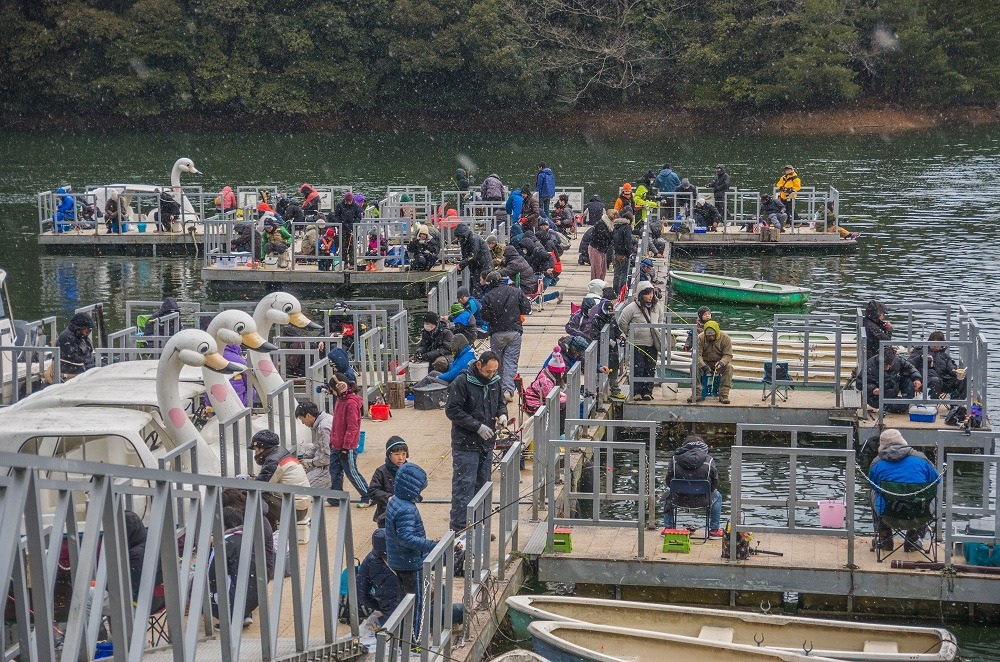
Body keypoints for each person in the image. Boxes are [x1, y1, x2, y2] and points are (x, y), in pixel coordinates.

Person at [446, 351, 506, 532]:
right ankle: (459, 530)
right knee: (464, 488)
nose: (491, 375)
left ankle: (481, 527)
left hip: (486, 444)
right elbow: (452, 410)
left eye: (494, 371)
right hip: (465, 444)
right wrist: (476, 426)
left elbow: (500, 402)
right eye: (488, 371)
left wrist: (502, 414)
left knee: (483, 487)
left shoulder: (495, 382)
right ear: (479, 365)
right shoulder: (462, 383)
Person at [385, 462, 437, 639]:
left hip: (398, 561)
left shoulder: (395, 501)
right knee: (417, 603)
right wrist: (430, 545)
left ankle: (401, 636)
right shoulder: (406, 509)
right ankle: (414, 639)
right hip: (410, 563)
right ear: (412, 488)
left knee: (404, 601)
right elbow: (406, 538)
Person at [868, 429, 939, 551]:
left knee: (873, 493)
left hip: (889, 514)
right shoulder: (921, 459)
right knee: (928, 496)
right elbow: (935, 481)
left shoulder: (877, 463)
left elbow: (873, 486)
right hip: (919, 514)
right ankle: (914, 539)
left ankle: (885, 539)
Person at [480, 274, 532, 402]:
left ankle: (496, 390)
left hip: (496, 333)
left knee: (497, 363)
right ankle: (508, 390)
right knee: (511, 362)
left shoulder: (488, 296)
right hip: (513, 332)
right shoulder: (516, 291)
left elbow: (485, 317)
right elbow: (527, 308)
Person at [248, 430, 311, 530]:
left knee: (255, 496)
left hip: (294, 511)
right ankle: (269, 529)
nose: (255, 453)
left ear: (262, 447)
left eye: (256, 449)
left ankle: (258, 532)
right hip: (301, 508)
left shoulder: (273, 461)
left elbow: (260, 486)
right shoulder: (282, 454)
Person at [662, 435, 723, 537]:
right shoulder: (709, 460)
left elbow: (668, 482)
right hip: (703, 500)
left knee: (667, 495)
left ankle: (668, 528)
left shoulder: (674, 460)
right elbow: (715, 483)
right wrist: (705, 492)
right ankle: (714, 530)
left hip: (678, 499)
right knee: (718, 496)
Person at [209, 506, 259, 626]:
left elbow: (212, 572)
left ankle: (228, 620)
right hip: (255, 597)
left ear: (224, 526)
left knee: (203, 584)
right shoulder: (251, 538)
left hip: (232, 597)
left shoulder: (224, 542)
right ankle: (245, 614)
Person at [327, 373, 372, 507]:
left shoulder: (351, 403)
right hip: (336, 445)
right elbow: (336, 423)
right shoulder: (340, 400)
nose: (332, 392)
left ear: (340, 387)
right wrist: (332, 441)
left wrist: (346, 446)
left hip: (348, 447)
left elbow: (352, 427)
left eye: (333, 389)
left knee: (351, 472)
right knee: (334, 471)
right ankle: (336, 497)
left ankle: (367, 496)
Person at [617, 281, 664, 401]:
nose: (650, 296)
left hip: (652, 342)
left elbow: (661, 320)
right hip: (637, 343)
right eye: (647, 294)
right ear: (641, 294)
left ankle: (648, 391)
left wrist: (657, 329)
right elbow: (622, 321)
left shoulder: (656, 307)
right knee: (638, 367)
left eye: (651, 293)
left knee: (650, 367)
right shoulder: (632, 308)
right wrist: (630, 333)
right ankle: (637, 391)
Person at [356, 528, 401, 625]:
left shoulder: (369, 561)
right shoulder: (403, 554)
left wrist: (379, 605)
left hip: (388, 606)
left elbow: (361, 593)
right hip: (411, 599)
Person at [861, 346, 922, 413]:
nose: (888, 367)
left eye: (890, 364)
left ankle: (908, 400)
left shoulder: (898, 360)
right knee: (898, 406)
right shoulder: (870, 365)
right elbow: (860, 383)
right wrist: (873, 389)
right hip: (877, 397)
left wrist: (917, 379)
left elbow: (910, 368)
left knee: (907, 378)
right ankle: (903, 404)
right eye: (885, 365)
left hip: (892, 388)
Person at [908, 331, 967, 399]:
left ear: (942, 345)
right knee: (935, 381)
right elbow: (908, 364)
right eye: (932, 342)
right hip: (924, 381)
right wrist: (920, 358)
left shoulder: (945, 356)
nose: (934, 345)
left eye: (937, 343)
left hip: (942, 381)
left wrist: (957, 372)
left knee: (962, 379)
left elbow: (951, 368)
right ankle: (932, 405)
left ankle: (956, 405)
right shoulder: (919, 351)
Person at [367, 436, 409, 526]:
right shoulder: (381, 471)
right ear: (389, 455)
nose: (401, 458)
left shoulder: (409, 470)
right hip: (385, 513)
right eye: (397, 454)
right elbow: (372, 490)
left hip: (406, 513)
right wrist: (388, 498)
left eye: (404, 454)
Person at [692, 320, 733, 404]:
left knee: (729, 368)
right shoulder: (700, 337)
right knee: (693, 366)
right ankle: (697, 393)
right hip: (705, 362)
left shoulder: (725, 338)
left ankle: (724, 394)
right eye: (708, 336)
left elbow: (728, 355)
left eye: (712, 335)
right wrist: (703, 365)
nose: (710, 337)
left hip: (719, 364)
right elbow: (697, 355)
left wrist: (722, 362)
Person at [295, 402, 333, 489]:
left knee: (304, 489)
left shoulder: (323, 427)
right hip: (327, 459)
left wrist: (311, 463)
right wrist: (301, 457)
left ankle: (328, 482)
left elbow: (327, 457)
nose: (303, 423)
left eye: (302, 419)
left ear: (308, 416)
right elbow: (317, 446)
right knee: (308, 446)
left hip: (331, 465)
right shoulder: (324, 419)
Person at [525, 346, 568, 423]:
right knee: (562, 406)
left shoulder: (546, 373)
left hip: (536, 399)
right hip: (534, 404)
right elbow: (552, 399)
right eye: (561, 373)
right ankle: (559, 431)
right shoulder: (546, 382)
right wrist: (566, 398)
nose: (562, 374)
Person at [58, 312, 96, 377]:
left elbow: (89, 350)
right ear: (79, 328)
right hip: (74, 369)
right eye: (87, 329)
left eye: (90, 330)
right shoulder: (67, 338)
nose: (88, 332)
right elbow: (72, 358)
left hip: (84, 365)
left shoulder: (81, 336)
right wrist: (90, 362)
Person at [333, 192, 363, 269]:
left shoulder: (356, 206)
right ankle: (344, 262)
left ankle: (352, 263)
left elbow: (358, 217)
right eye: (347, 201)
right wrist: (341, 224)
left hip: (352, 228)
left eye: (350, 201)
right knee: (343, 246)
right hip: (343, 228)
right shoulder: (340, 205)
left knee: (352, 246)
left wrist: (353, 225)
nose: (349, 202)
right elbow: (336, 216)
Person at [586, 200, 613, 281]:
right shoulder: (602, 224)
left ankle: (599, 284)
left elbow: (585, 214)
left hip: (602, 249)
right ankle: (595, 285)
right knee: (597, 270)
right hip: (596, 248)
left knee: (602, 270)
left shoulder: (606, 224)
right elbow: (604, 237)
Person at [611, 209, 634, 295]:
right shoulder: (626, 227)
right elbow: (628, 242)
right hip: (624, 254)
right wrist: (628, 253)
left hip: (616, 253)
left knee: (616, 273)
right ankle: (622, 291)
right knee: (624, 273)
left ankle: (615, 290)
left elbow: (614, 240)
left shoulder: (616, 226)